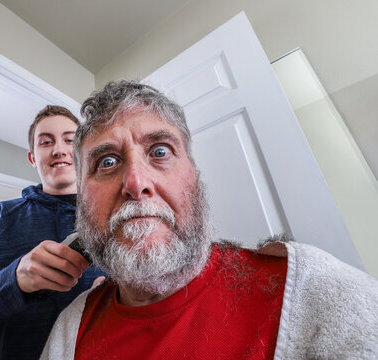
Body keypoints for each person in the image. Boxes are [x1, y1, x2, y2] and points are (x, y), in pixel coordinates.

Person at [41, 80, 378, 359]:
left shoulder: (311, 289)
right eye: (107, 162)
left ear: (195, 177)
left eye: (160, 151)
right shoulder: (70, 328)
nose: (136, 182)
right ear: (81, 199)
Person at [0, 105, 104, 360]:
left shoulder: (113, 216)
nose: (59, 149)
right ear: (32, 158)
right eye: (46, 142)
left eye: (69, 140)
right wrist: (13, 282)